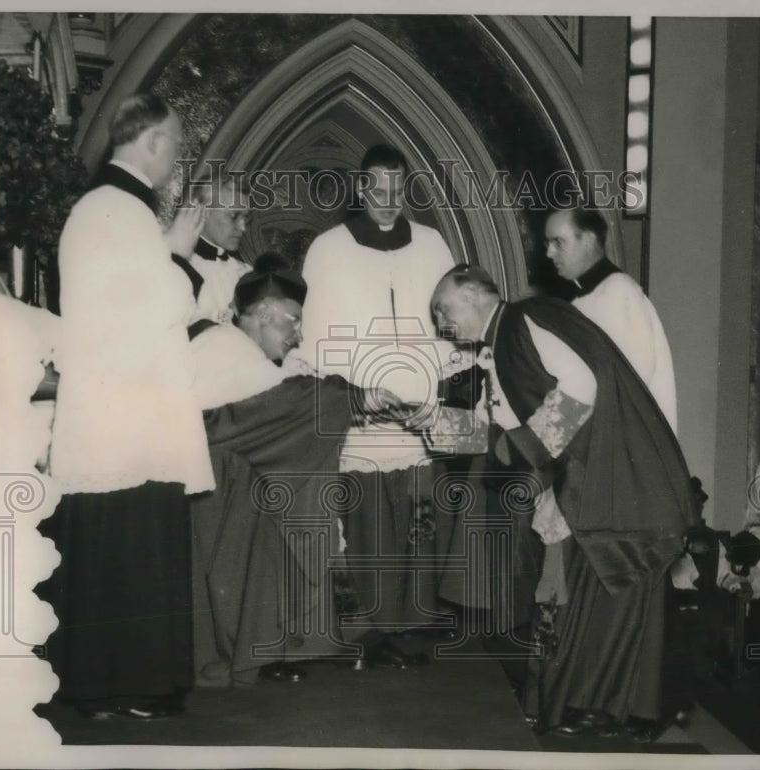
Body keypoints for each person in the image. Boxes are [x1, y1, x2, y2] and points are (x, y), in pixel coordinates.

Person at [429, 265, 698, 741]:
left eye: (442, 308)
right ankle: (589, 707)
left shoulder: (524, 319)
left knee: (603, 592)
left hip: (608, 475)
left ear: (473, 296)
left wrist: (524, 449)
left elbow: (580, 389)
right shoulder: (500, 344)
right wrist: (431, 422)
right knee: (580, 597)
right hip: (586, 477)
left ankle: (602, 709)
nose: (439, 321)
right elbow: (500, 426)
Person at [40, 93, 213, 720]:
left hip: (117, 408)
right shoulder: (120, 208)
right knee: (134, 544)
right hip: (129, 416)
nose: (176, 161)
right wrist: (184, 255)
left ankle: (113, 687)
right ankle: (125, 687)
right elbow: (163, 304)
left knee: (116, 547)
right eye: (176, 147)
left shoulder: (104, 207)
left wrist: (167, 251)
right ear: (155, 142)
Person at [189, 253, 405, 687]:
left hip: (241, 481)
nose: (299, 335)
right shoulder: (223, 347)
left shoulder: (248, 354)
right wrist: (357, 399)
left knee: (305, 498)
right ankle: (292, 640)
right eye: (293, 321)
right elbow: (288, 404)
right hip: (213, 496)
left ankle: (297, 638)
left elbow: (285, 404)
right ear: (265, 313)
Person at [294, 144, 458, 668]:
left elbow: (449, 325)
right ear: (361, 189)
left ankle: (414, 627)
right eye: (377, 189)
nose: (388, 200)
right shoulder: (328, 249)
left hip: (419, 416)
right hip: (365, 413)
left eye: (397, 188)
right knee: (369, 525)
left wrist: (438, 391)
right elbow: (319, 336)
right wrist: (357, 392)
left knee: (419, 524)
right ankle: (372, 628)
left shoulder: (433, 245)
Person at [543, 208, 677, 433]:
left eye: (558, 242)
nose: (549, 253)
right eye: (547, 243)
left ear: (589, 239)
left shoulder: (620, 292)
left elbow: (632, 378)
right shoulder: (578, 301)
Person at [187, 172, 252, 323]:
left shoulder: (246, 274)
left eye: (246, 217)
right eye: (234, 216)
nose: (243, 227)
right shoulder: (179, 269)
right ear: (203, 211)